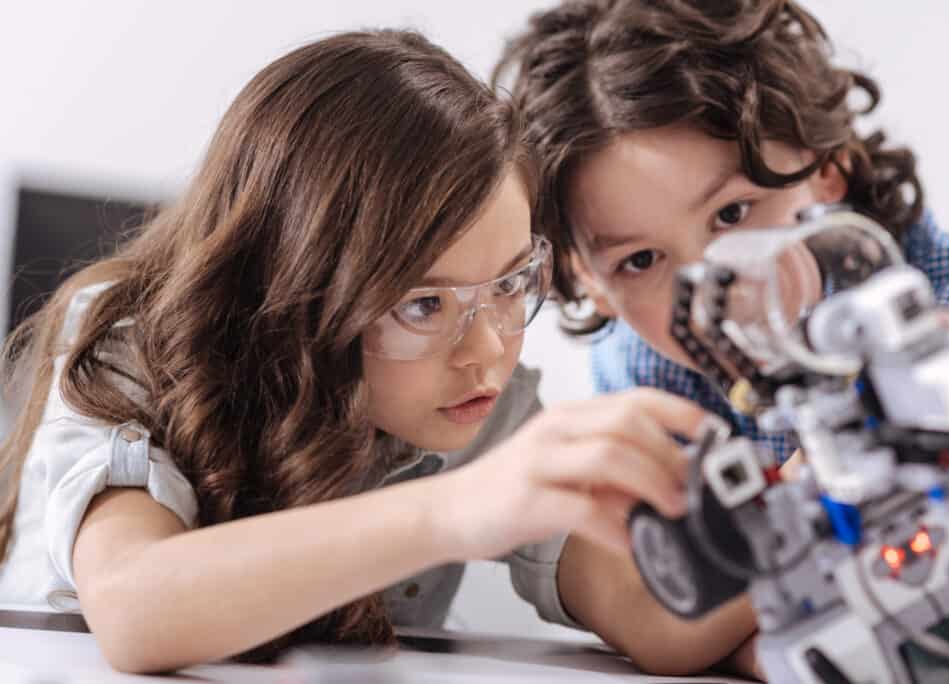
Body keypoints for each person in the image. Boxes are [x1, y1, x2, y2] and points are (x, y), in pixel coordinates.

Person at [0, 30, 708, 674]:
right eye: (423, 304)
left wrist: (806, 507)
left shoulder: (482, 406)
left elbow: (658, 618)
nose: (488, 349)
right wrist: (457, 509)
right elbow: (133, 610)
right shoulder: (131, 346)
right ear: (296, 292)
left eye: (512, 282)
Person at [496, 0, 949, 676]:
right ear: (587, 280)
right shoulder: (643, 366)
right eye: (641, 260)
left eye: (733, 214)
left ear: (826, 166)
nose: (707, 290)